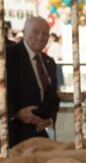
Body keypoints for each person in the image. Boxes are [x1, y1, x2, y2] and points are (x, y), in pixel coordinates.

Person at [7, 15, 60, 147]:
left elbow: (53, 97)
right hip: (10, 135)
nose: (41, 37)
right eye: (35, 32)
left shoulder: (49, 62)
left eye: (45, 33)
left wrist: (50, 120)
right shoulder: (7, 56)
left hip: (39, 135)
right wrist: (17, 113)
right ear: (24, 33)